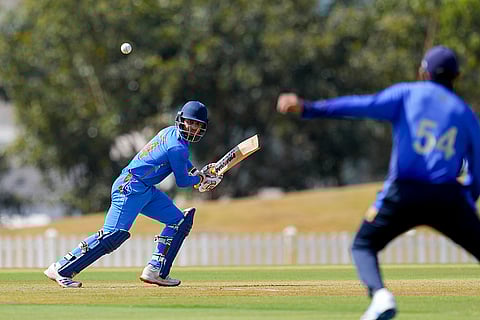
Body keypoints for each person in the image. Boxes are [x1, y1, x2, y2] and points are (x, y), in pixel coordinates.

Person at [276, 45, 480, 320]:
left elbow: (361, 106)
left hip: (404, 192)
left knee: (363, 245)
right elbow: (477, 172)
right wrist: (466, 201)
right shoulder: (466, 114)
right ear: (457, 76)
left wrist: (308, 108)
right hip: (447, 196)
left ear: (424, 72)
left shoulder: (408, 93)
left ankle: (381, 297)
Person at [44, 101, 223, 288]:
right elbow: (183, 181)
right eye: (190, 122)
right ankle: (61, 269)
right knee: (113, 235)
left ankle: (156, 271)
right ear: (181, 119)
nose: (193, 128)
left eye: (198, 125)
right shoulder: (177, 148)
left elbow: (183, 163)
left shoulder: (169, 132)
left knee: (179, 222)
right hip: (130, 187)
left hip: (145, 189)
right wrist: (201, 180)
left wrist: (197, 173)